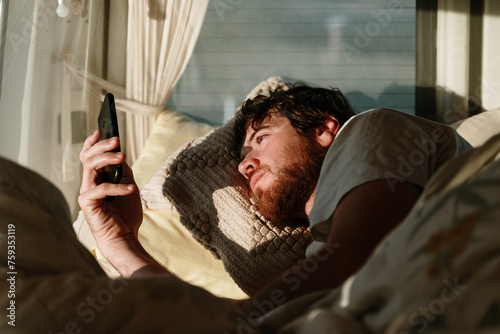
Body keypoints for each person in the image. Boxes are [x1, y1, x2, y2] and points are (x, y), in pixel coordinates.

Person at [78, 83, 472, 318]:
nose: (246, 164)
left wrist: (231, 322)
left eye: (261, 138)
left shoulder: (372, 129)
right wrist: (119, 241)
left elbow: (356, 257)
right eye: (243, 155)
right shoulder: (317, 250)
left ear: (323, 129)